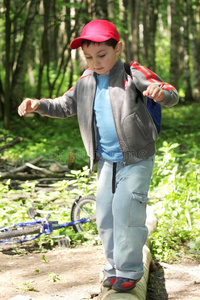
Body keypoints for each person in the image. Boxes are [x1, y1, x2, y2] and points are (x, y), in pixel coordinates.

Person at [18, 20, 179, 293]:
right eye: (89, 57)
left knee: (126, 210)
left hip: (137, 157)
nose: (95, 62)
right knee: (104, 214)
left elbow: (171, 93)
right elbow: (64, 105)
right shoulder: (85, 81)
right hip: (105, 160)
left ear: (118, 48)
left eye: (102, 55)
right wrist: (39, 105)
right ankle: (113, 267)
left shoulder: (133, 74)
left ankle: (129, 270)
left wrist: (161, 94)